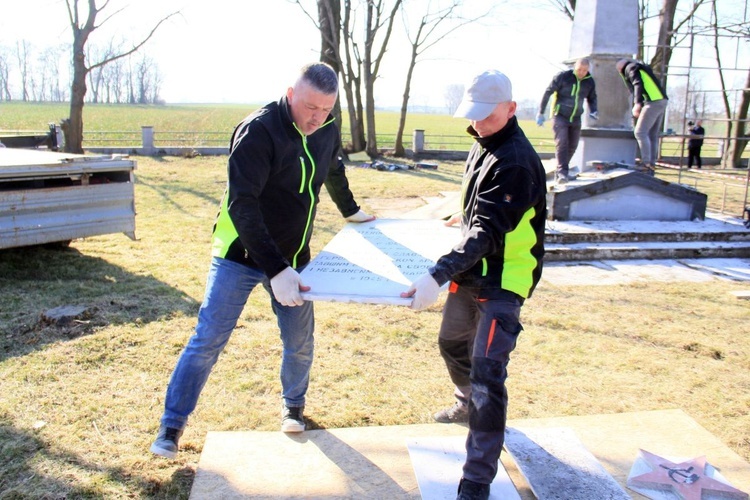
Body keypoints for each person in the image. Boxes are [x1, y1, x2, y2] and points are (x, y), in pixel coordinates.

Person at [150, 62, 375, 459]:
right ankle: (171, 427)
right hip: (240, 253)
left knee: (299, 340)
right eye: (310, 107)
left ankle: (294, 407)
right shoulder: (258, 130)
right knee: (208, 339)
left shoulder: (326, 127)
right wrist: (276, 270)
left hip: (294, 256)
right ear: (290, 93)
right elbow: (242, 204)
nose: (317, 118)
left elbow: (333, 170)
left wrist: (351, 211)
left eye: (326, 109)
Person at [402, 70, 546, 500]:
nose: (478, 123)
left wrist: (435, 274)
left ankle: (477, 480)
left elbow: (488, 233)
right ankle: (467, 404)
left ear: (511, 109)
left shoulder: (516, 161)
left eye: (487, 115)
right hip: (471, 270)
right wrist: (459, 217)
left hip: (504, 278)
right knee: (450, 343)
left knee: (488, 375)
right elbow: (479, 212)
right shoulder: (482, 142)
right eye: (474, 115)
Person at [536, 58, 598, 184]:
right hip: (560, 115)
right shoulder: (564, 77)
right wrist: (541, 112)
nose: (582, 72)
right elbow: (548, 92)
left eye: (585, 70)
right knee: (562, 143)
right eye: (579, 69)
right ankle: (562, 173)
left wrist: (594, 110)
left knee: (573, 145)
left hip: (576, 117)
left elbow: (592, 97)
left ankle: (561, 170)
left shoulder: (589, 81)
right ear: (575, 67)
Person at [615, 58, 669, 174]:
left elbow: (637, 84)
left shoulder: (631, 68)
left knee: (640, 132)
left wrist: (637, 104)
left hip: (653, 101)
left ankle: (646, 163)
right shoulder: (640, 67)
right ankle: (651, 164)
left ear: (620, 67)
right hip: (661, 100)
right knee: (652, 135)